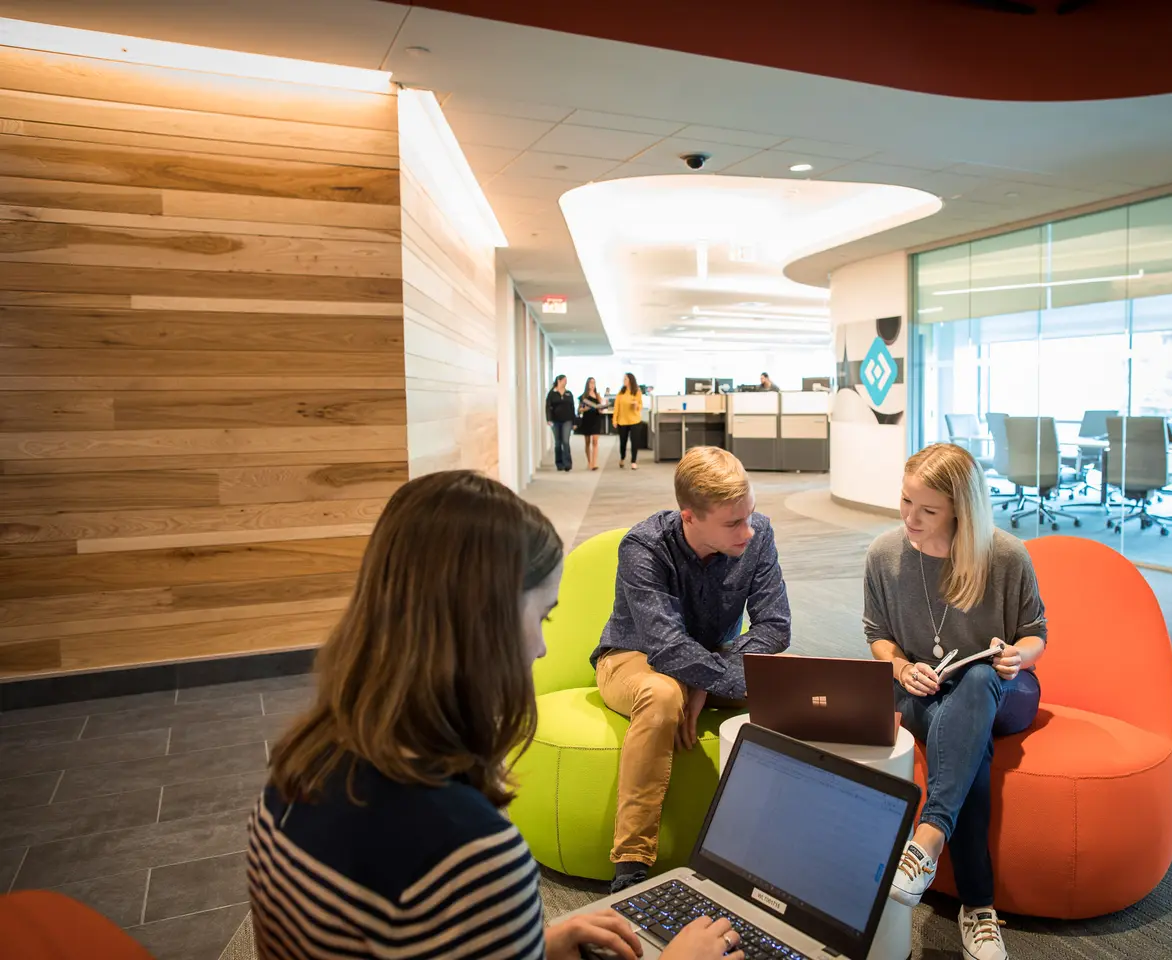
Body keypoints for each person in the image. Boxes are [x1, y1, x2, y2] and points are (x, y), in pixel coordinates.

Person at [246, 471, 738, 960]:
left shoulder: (292, 780)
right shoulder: (471, 855)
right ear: (487, 626)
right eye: (541, 616)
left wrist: (528, 945)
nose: (542, 649)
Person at [864, 443, 1045, 960]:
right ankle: (979, 909)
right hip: (924, 687)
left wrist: (1017, 656)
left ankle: (928, 835)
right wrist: (900, 666)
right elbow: (876, 633)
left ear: (961, 511)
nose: (910, 518)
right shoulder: (885, 554)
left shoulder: (1005, 554)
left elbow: (1037, 635)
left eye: (927, 510)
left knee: (977, 681)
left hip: (1006, 686)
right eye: (905, 502)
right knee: (971, 752)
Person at [592, 446, 792, 894]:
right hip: (631, 657)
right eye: (732, 523)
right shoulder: (644, 546)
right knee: (663, 695)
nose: (748, 530)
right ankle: (630, 868)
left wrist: (704, 679)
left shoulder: (758, 534)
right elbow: (664, 645)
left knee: (795, 682)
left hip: (714, 655)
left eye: (750, 515)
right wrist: (702, 679)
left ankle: (784, 847)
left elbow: (775, 627)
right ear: (690, 517)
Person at [613, 372, 644, 471]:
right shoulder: (621, 392)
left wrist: (636, 405)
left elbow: (640, 406)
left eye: (625, 379)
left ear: (631, 380)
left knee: (635, 442)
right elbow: (616, 406)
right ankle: (622, 458)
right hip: (622, 421)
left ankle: (633, 461)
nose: (624, 381)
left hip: (635, 420)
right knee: (623, 442)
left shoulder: (637, 391)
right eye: (624, 379)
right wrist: (614, 419)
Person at [546, 375, 576, 472]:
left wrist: (574, 422)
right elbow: (548, 407)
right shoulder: (552, 394)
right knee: (558, 442)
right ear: (558, 381)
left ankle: (567, 463)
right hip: (555, 421)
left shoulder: (568, 393)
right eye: (564, 380)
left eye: (566, 380)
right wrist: (549, 419)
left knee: (566, 441)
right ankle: (559, 463)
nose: (565, 382)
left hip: (567, 420)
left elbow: (572, 408)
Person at [577, 376, 605, 471]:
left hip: (596, 419)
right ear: (587, 384)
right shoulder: (583, 397)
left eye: (594, 383)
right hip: (587, 419)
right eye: (590, 383)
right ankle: (589, 462)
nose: (592, 385)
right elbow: (579, 410)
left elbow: (601, 407)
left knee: (595, 441)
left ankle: (594, 463)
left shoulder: (598, 396)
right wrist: (585, 409)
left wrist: (601, 408)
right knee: (588, 442)